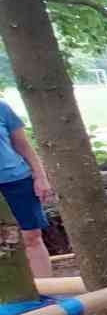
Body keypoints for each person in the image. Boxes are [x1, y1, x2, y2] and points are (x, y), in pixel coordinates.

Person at [0, 100, 54, 276]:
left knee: (31, 238)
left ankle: (45, 290)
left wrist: (41, 177)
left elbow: (23, 145)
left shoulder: (2, 108)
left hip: (16, 181)